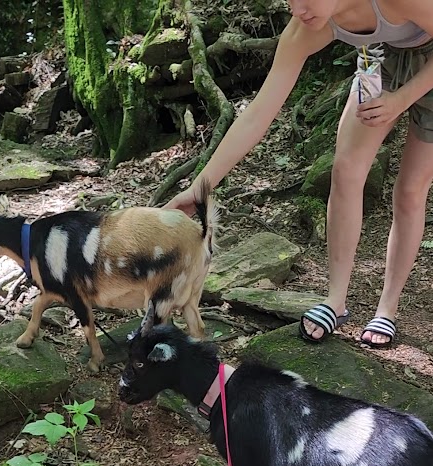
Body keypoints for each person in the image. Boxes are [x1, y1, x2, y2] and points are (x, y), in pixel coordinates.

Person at [165, 1, 433, 349]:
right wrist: (201, 187)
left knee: (411, 189)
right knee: (346, 169)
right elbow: (258, 113)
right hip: (380, 58)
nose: (298, 8)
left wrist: (401, 100)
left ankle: (388, 307)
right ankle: (335, 301)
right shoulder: (307, 25)